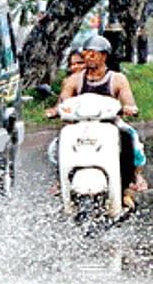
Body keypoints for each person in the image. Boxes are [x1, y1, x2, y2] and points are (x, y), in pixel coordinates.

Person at [44, 34, 146, 202]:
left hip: (110, 125)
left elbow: (129, 102)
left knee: (129, 138)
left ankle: (129, 182)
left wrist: (129, 108)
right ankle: (62, 180)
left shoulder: (117, 79)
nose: (88, 58)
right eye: (86, 54)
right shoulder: (74, 80)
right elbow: (63, 101)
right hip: (80, 126)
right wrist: (55, 111)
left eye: (93, 54)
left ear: (104, 56)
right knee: (59, 142)